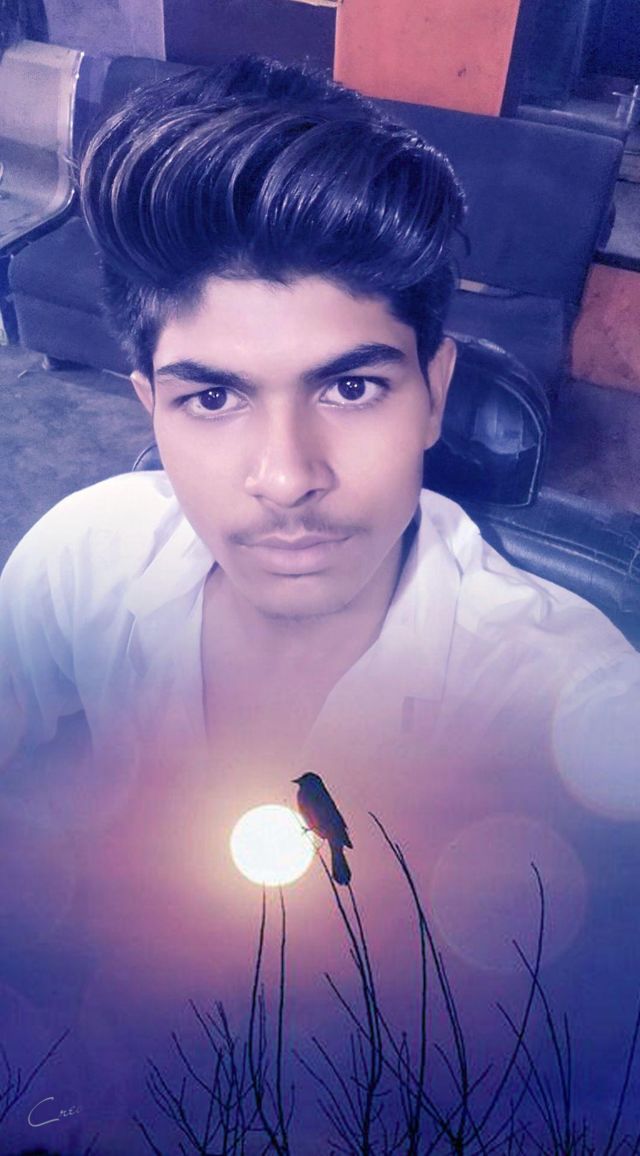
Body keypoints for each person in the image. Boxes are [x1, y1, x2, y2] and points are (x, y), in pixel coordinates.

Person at [0, 56, 638, 1154]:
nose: (287, 477)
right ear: (150, 408)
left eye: (350, 386)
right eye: (213, 396)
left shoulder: (569, 710)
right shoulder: (83, 557)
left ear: (433, 394)